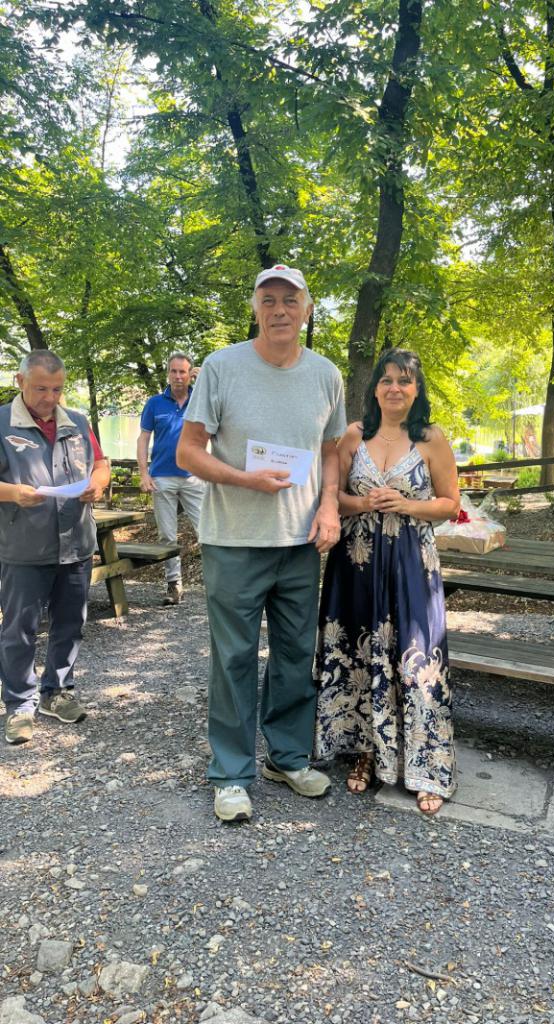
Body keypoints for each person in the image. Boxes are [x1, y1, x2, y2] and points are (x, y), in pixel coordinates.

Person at [176, 264, 346, 823]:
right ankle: (230, 773)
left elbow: (330, 450)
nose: (279, 310)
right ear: (254, 308)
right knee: (234, 658)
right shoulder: (222, 367)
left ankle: (287, 758)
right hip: (234, 539)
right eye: (268, 300)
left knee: (296, 655)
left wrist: (328, 505)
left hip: (299, 542)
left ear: (307, 310)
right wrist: (245, 480)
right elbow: (187, 452)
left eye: (290, 301)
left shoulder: (325, 374)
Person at [314, 348, 461, 815]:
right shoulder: (354, 435)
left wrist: (406, 504)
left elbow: (450, 503)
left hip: (411, 564)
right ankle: (364, 752)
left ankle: (427, 766)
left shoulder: (431, 438)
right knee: (359, 654)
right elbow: (332, 493)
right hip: (356, 563)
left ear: (417, 389)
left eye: (404, 380)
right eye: (386, 380)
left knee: (416, 656)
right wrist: (362, 504)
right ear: (374, 388)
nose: (395, 388)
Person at [0, 350, 111, 745]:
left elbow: (100, 463)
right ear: (20, 382)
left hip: (76, 543)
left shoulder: (77, 422)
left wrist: (98, 483)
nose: (50, 398)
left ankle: (57, 691)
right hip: (23, 546)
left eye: (57, 389)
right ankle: (19, 704)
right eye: (41, 389)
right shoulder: (2, 423)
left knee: (70, 624)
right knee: (20, 629)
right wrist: (12, 493)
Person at [137, 352, 205, 606]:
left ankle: (218, 583)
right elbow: (143, 438)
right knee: (167, 536)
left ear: (189, 374)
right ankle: (174, 584)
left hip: (194, 477)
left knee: (207, 531)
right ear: (168, 374)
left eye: (183, 372)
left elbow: (222, 421)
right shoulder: (155, 403)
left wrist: (205, 382)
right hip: (162, 477)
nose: (178, 376)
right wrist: (144, 473)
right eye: (174, 371)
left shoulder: (200, 400)